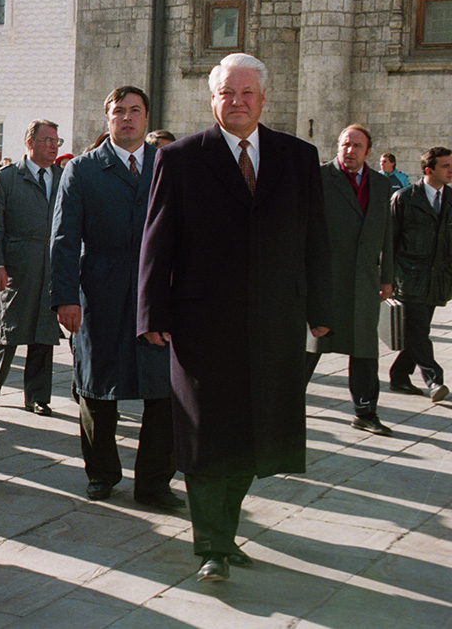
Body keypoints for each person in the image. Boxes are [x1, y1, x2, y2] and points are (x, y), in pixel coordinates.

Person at [137, 52, 332, 583]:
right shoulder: (180, 158)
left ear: (263, 98)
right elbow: (157, 240)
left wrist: (321, 309)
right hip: (201, 324)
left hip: (274, 321)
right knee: (205, 433)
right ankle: (213, 545)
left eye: (247, 93)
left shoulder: (298, 157)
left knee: (253, 431)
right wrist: (151, 311)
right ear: (212, 99)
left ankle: (223, 533)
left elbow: (316, 237)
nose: (237, 102)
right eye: (227, 93)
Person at [50, 87, 179, 507]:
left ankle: (154, 483)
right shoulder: (83, 169)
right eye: (118, 111)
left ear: (146, 118)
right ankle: (102, 473)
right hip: (100, 290)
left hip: (157, 292)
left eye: (135, 111)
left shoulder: (168, 165)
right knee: (96, 387)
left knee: (164, 389)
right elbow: (64, 238)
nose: (127, 118)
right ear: (107, 118)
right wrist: (65, 297)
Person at [305, 125, 395, 435]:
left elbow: (387, 233)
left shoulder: (381, 184)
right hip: (325, 280)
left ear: (368, 151)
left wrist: (387, 277)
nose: (350, 150)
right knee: (310, 346)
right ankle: (283, 407)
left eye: (357, 146)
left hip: (364, 282)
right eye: (345, 144)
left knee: (365, 349)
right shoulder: (319, 177)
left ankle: (365, 412)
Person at [0, 120, 62, 415]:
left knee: (44, 330)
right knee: (10, 326)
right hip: (18, 264)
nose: (53, 146)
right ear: (30, 143)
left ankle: (37, 396)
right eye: (47, 140)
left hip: (52, 265)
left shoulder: (63, 177)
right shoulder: (6, 177)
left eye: (56, 141)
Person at [388, 146, 452, 403]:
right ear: (429, 170)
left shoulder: (451, 199)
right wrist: (386, 278)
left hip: (437, 279)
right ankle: (434, 379)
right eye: (445, 166)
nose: (451, 170)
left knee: (417, 330)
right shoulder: (404, 198)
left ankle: (399, 375)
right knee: (418, 331)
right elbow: (389, 241)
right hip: (409, 278)